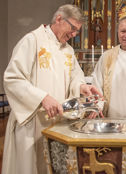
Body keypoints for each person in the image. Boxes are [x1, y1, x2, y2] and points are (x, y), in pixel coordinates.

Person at [2, 4, 102, 174]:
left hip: (58, 124)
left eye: (77, 31)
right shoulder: (32, 40)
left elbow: (75, 78)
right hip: (33, 123)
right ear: (59, 19)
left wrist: (82, 86)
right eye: (73, 28)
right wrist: (42, 97)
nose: (74, 35)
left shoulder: (68, 50)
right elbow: (12, 78)